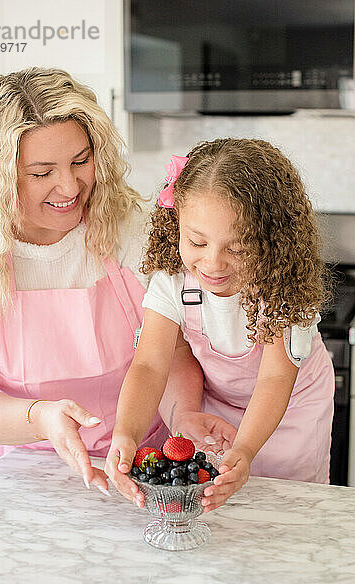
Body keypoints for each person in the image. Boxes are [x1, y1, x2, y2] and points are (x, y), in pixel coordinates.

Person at [0, 67, 230, 493]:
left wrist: (183, 416)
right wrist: (41, 418)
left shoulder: (130, 228)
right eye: (42, 172)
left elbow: (170, 352)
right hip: (19, 478)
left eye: (81, 161)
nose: (69, 186)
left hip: (140, 468)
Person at [106, 138, 335, 512]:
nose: (213, 263)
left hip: (289, 410)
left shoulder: (283, 283)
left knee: (284, 510)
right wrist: (125, 432)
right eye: (197, 242)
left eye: (238, 249)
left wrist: (245, 449)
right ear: (176, 222)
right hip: (216, 410)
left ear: (273, 241)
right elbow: (149, 364)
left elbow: (275, 378)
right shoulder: (174, 280)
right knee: (221, 507)